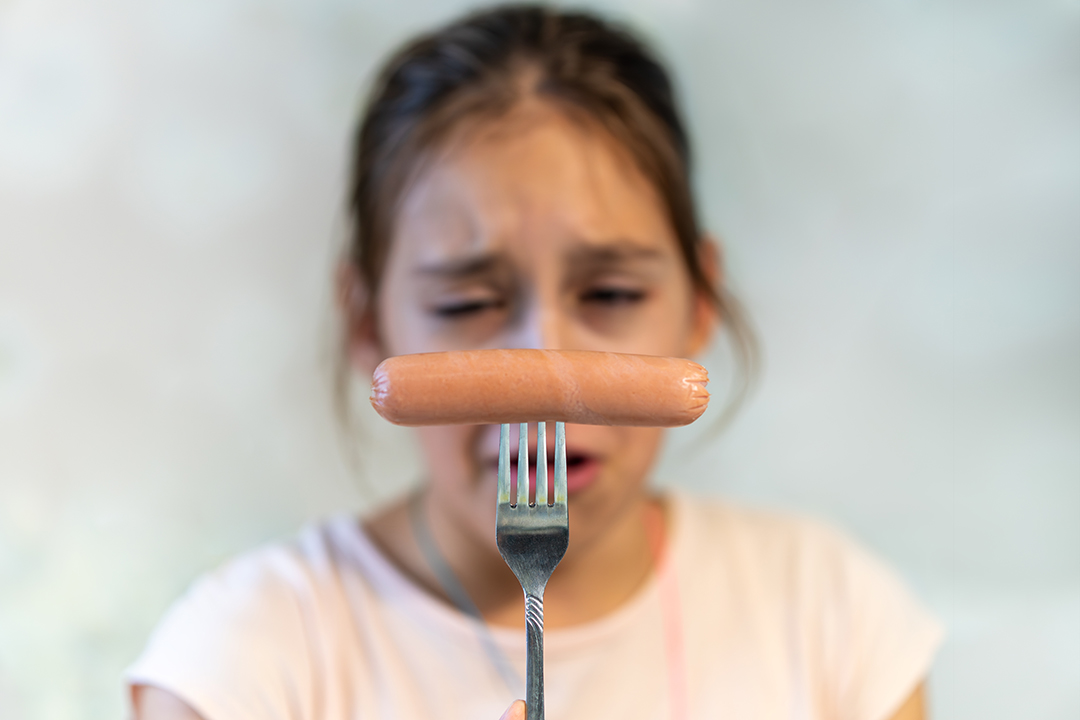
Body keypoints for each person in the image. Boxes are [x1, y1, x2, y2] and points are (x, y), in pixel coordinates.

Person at [127, 5, 942, 719]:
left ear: (699, 302)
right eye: (467, 305)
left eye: (613, 294)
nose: (546, 371)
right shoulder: (237, 664)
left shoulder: (832, 616)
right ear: (367, 323)